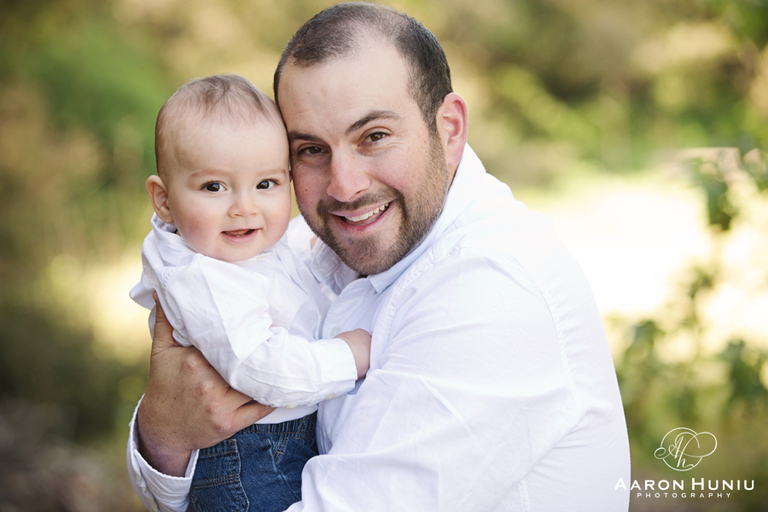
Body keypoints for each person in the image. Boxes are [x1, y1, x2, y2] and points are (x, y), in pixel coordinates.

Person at [128, 3, 631, 511]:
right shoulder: (311, 244)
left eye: (374, 137)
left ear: (450, 129)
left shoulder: (489, 291)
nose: (344, 187)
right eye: (310, 150)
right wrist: (163, 434)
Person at [129, 74, 371, 512]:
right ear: (163, 200)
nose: (244, 206)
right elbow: (261, 368)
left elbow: (287, 268)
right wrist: (347, 357)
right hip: (249, 462)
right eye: (214, 187)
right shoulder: (204, 277)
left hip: (275, 447)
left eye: (266, 184)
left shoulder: (239, 249)